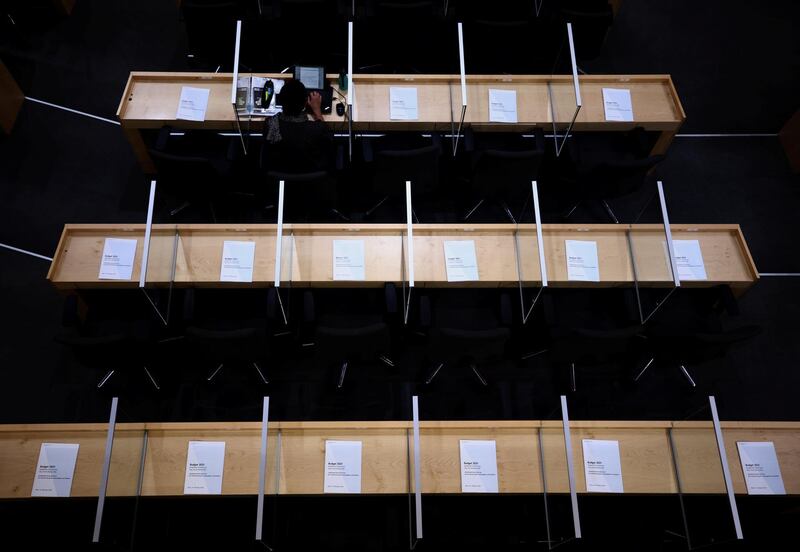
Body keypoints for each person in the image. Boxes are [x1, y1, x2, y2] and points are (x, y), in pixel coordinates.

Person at [264, 79, 333, 173]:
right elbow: (328, 142)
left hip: (281, 168)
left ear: (280, 101)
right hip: (310, 169)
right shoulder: (317, 129)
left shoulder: (271, 124)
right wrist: (317, 110)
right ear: (305, 102)